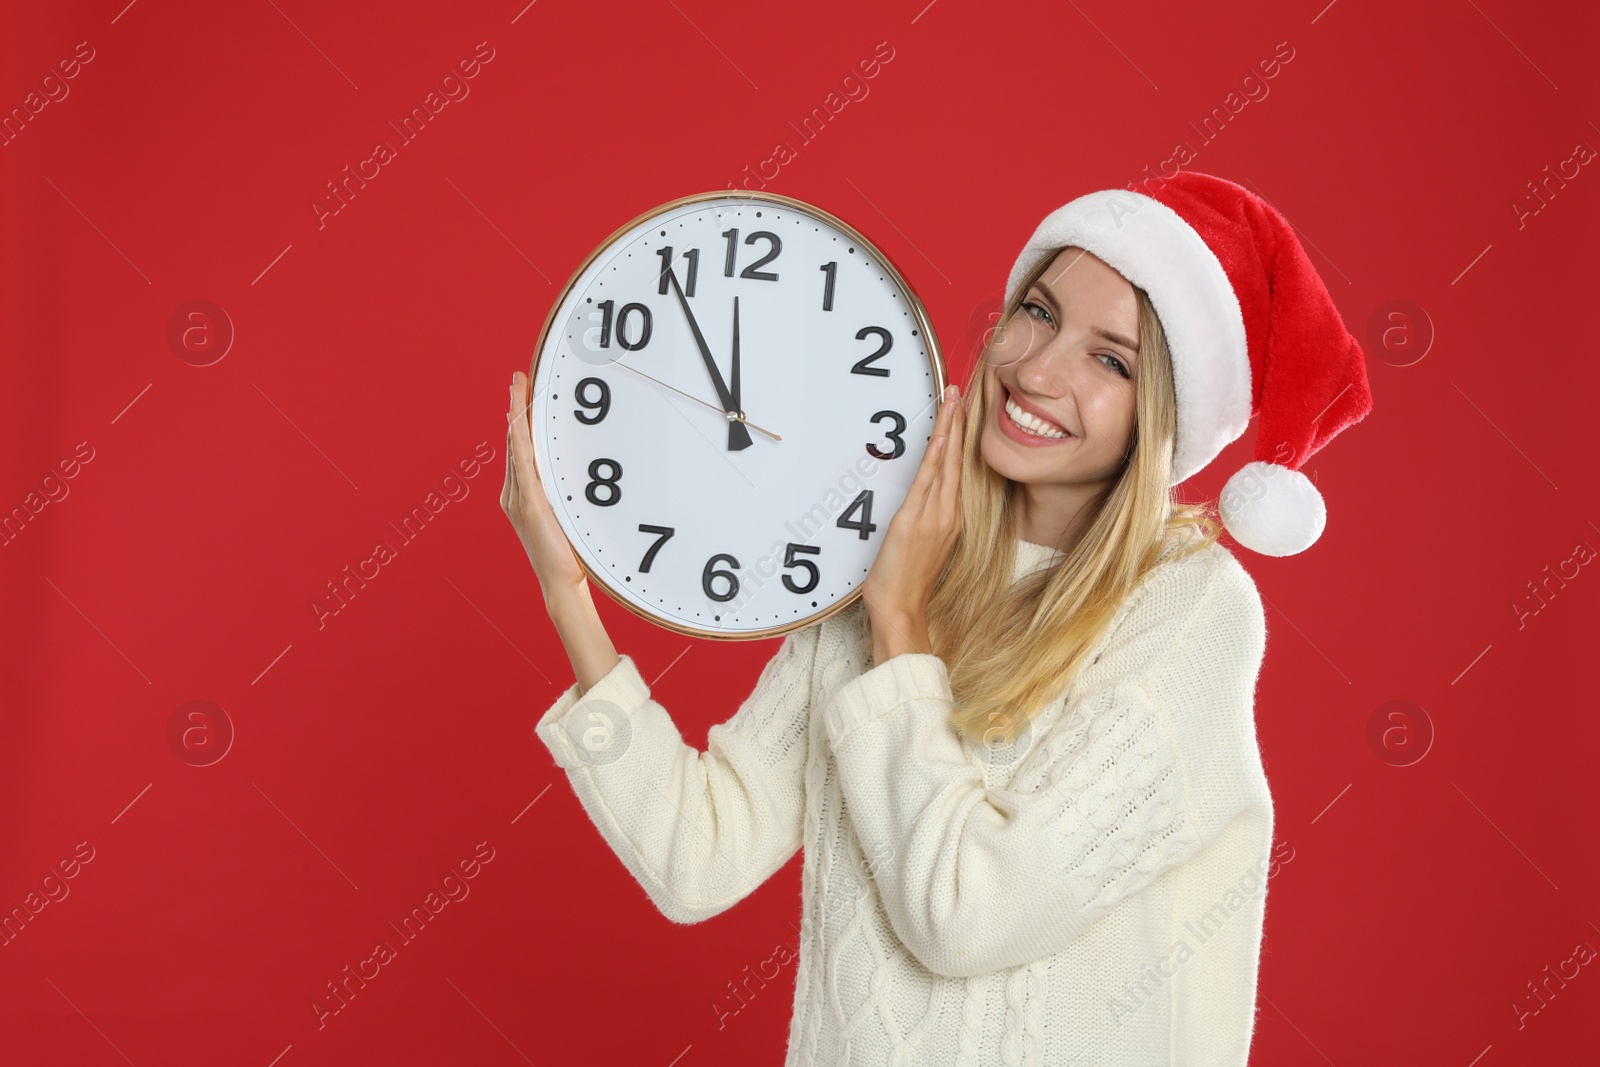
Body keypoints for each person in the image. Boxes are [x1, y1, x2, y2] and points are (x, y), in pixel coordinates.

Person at [502, 172, 1373, 1066]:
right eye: (1037, 312)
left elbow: (967, 915)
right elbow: (700, 856)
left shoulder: (1187, 609)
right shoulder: (889, 550)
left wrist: (901, 622)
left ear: (1164, 415)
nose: (1035, 369)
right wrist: (566, 586)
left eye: (1109, 360)